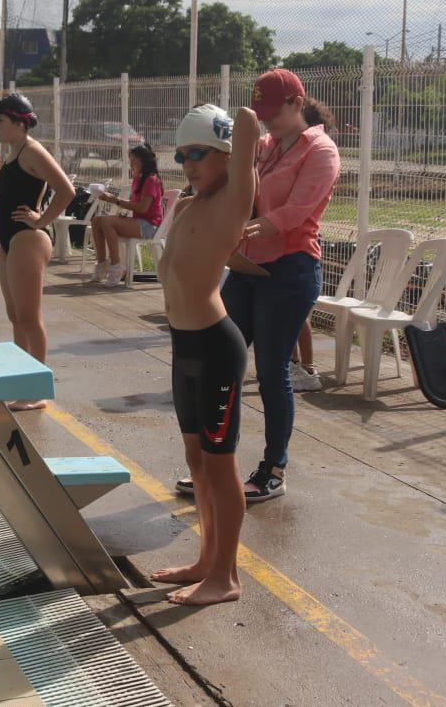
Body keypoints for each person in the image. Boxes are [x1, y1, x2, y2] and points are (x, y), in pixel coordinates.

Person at [176, 69, 340, 504]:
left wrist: (251, 227)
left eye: (273, 112)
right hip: (248, 266)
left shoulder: (320, 150)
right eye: (260, 112)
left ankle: (273, 469)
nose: (266, 120)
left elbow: (300, 209)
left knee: (271, 372)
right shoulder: (264, 146)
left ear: (297, 103)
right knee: (218, 359)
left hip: (290, 269)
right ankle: (215, 464)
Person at [149, 104, 258, 607]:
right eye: (181, 155)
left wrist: (233, 126)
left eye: (199, 153)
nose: (188, 164)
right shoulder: (190, 206)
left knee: (219, 465)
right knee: (196, 463)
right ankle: (206, 561)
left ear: (226, 155)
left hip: (216, 349)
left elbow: (248, 128)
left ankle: (226, 577)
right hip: (183, 347)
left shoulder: (232, 202)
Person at [0, 93, 75, 411]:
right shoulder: (14, 152)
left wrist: (41, 221)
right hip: (9, 242)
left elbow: (66, 190)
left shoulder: (33, 151)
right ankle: (22, 379)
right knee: (16, 316)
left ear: (19, 123)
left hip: (27, 240)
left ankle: (37, 390)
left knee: (29, 316)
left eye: (0, 120)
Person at [87, 144, 165, 286]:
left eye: (133, 160)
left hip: (150, 226)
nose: (130, 163)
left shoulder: (151, 180)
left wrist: (115, 200)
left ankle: (116, 266)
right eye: (130, 160)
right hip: (139, 222)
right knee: (97, 220)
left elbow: (143, 208)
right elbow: (134, 205)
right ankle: (102, 263)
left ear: (143, 161)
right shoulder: (138, 179)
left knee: (106, 222)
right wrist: (112, 200)